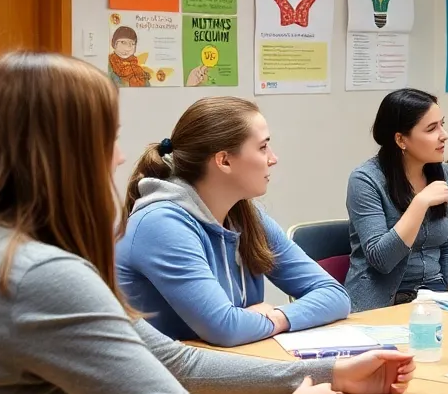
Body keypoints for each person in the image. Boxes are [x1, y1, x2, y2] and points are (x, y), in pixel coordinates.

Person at [0, 52, 416, 394]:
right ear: (67, 152)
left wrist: (332, 374)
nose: (119, 156)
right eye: (108, 138)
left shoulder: (27, 258)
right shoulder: (43, 274)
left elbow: (175, 361)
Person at [117, 98, 351, 347]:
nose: (273, 158)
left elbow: (335, 295)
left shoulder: (246, 216)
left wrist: (277, 316)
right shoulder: (160, 224)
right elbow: (225, 329)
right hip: (168, 380)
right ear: (224, 161)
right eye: (263, 148)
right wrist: (258, 321)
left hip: (226, 366)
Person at [345, 89, 448, 310]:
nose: (444, 135)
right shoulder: (365, 180)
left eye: (442, 124)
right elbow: (381, 260)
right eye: (431, 129)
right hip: (383, 301)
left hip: (436, 295)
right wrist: (419, 203)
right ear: (401, 139)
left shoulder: (447, 174)